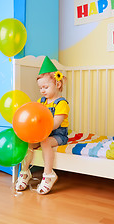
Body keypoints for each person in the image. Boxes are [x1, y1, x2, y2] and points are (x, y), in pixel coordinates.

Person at [16, 56, 70, 194]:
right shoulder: (41, 101)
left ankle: (48, 175)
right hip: (42, 133)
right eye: (40, 88)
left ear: (57, 85)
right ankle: (25, 171)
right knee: (28, 143)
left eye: (46, 87)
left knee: (45, 142)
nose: (42, 91)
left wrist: (41, 131)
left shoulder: (61, 103)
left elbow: (56, 124)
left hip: (58, 135)